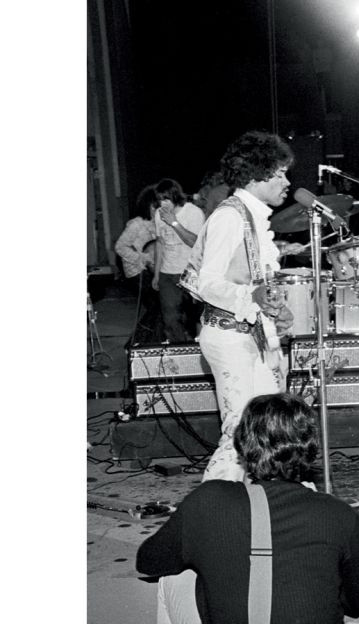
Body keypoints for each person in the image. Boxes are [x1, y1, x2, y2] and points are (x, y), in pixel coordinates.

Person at [136, 393, 359, 624]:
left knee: (173, 573)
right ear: (309, 451)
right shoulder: (337, 514)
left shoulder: (208, 499)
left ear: (242, 447)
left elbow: (148, 562)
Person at [184, 131, 303, 482]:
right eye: (279, 173)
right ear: (256, 175)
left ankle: (256, 506)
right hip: (228, 338)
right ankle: (213, 511)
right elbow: (207, 284)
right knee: (239, 432)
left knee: (266, 428)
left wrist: (274, 309)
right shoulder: (229, 218)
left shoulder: (252, 218)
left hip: (251, 336)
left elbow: (252, 282)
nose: (287, 181)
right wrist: (250, 298)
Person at [151, 178, 206, 343]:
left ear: (175, 196)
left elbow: (195, 242)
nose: (163, 203)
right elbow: (160, 244)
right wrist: (156, 274)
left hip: (190, 272)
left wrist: (174, 222)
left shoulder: (193, 212)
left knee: (196, 317)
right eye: (160, 199)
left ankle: (200, 350)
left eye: (166, 199)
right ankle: (179, 351)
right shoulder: (158, 215)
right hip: (167, 273)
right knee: (170, 318)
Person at [114, 185, 161, 342]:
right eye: (155, 206)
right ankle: (138, 343)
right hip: (136, 272)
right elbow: (120, 247)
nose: (158, 210)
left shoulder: (157, 223)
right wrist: (141, 257)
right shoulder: (136, 224)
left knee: (158, 308)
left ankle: (145, 342)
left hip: (150, 271)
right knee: (156, 307)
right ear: (147, 205)